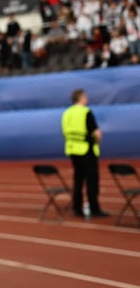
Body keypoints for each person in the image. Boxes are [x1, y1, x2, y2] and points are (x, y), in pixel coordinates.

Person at [61, 89, 108, 218]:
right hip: (87, 149)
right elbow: (96, 132)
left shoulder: (67, 113)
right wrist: (97, 141)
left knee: (78, 179)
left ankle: (77, 207)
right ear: (81, 98)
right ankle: (94, 208)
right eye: (85, 96)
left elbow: (64, 131)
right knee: (92, 180)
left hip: (72, 149)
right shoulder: (85, 112)